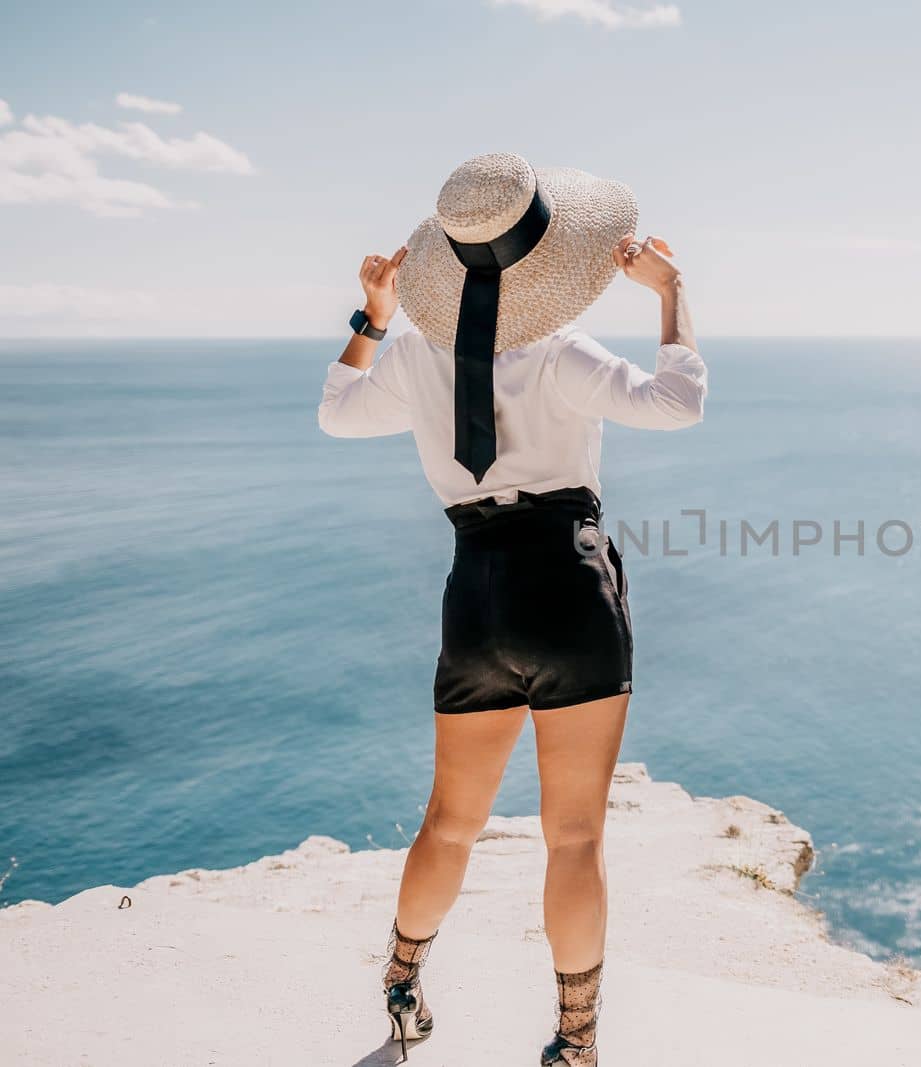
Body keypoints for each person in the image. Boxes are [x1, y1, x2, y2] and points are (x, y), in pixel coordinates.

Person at [316, 152, 705, 1065]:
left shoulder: (413, 356)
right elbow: (678, 402)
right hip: (567, 584)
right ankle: (575, 1043)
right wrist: (672, 290)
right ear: (546, 267)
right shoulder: (561, 353)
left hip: (476, 592)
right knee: (573, 835)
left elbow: (336, 412)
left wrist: (371, 321)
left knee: (449, 820)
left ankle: (403, 982)